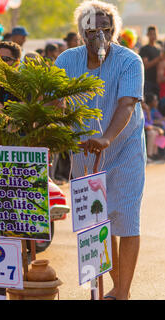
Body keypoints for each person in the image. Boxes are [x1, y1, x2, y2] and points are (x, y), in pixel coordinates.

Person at [55, 0, 145, 300]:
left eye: (106, 29)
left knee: (125, 215)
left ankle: (122, 293)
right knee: (97, 221)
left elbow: (127, 104)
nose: (99, 36)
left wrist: (107, 138)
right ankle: (119, 288)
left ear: (114, 31)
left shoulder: (130, 61)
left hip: (124, 147)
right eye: (92, 29)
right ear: (81, 32)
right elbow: (55, 102)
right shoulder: (67, 60)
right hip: (84, 149)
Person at [139, 26, 163, 97]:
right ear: (147, 35)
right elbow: (145, 66)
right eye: (151, 34)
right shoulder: (144, 49)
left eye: (154, 34)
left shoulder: (158, 49)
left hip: (157, 83)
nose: (153, 36)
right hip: (148, 82)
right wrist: (159, 59)